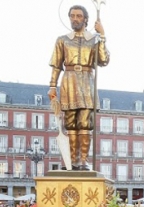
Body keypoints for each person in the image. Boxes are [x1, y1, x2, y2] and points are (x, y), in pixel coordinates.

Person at [47, 4, 110, 171]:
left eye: (79, 16)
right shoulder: (62, 40)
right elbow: (56, 65)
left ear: (85, 19)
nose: (75, 19)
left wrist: (102, 35)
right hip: (69, 81)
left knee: (85, 123)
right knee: (70, 124)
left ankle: (83, 160)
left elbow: (103, 60)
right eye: (72, 16)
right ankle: (72, 161)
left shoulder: (94, 39)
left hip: (87, 81)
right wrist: (52, 85)